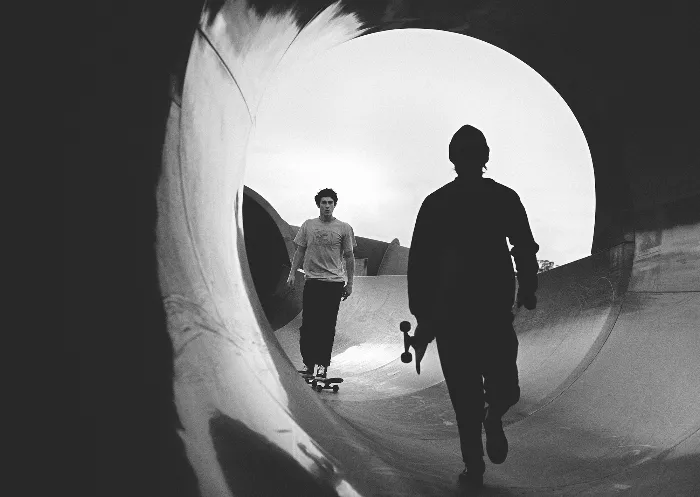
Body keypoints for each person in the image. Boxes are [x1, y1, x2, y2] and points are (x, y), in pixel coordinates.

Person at [407, 125, 539, 488]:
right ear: (457, 159)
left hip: (490, 313)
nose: (468, 159)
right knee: (469, 396)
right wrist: (424, 318)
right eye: (463, 154)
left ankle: (492, 417)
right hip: (456, 316)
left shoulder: (501, 198)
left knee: (500, 390)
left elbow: (524, 245)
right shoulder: (438, 202)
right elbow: (421, 263)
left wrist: (528, 284)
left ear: (482, 158)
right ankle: (474, 466)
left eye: (471, 153)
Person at [286, 188, 356, 379]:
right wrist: (292, 273)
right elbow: (299, 251)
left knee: (327, 326)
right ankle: (309, 365)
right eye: (323, 202)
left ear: (335, 205)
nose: (327, 206)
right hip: (313, 281)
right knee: (308, 326)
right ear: (318, 205)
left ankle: (322, 367)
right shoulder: (308, 226)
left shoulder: (344, 228)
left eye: (330, 203)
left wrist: (350, 284)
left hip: (334, 284)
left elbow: (349, 257)